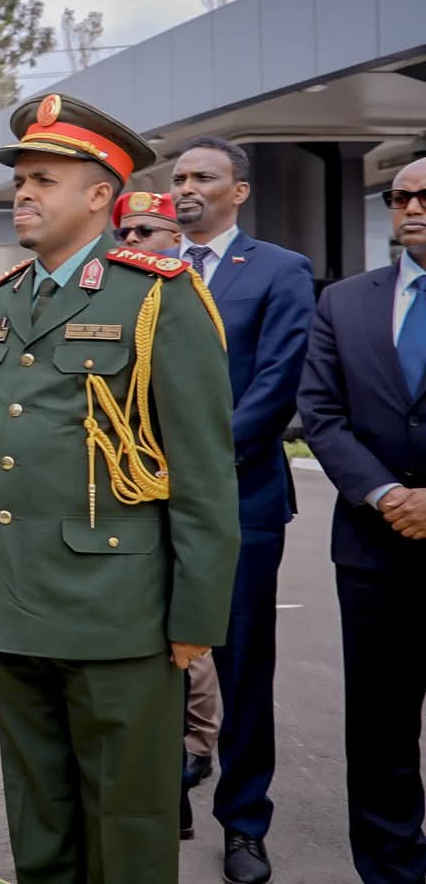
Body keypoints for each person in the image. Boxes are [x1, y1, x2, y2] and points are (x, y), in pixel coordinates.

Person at [0, 93, 239, 883]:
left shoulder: (158, 295)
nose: (24, 193)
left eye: (44, 179)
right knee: (39, 814)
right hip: (16, 607)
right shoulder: (4, 300)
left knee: (127, 824)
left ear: (100, 195)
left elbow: (202, 475)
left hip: (120, 615)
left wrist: (193, 622)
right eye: (21, 178)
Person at [167, 136, 315, 881]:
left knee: (243, 666)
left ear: (239, 192)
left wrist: (197, 468)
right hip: (146, 501)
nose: (187, 186)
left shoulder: (282, 272)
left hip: (241, 498)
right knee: (153, 663)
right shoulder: (149, 270)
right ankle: (168, 794)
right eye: (179, 176)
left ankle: (245, 822)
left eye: (204, 176)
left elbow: (279, 382)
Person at [297, 156, 426, 884]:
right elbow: (320, 412)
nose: (411, 206)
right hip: (375, 549)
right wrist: (387, 496)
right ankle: (391, 870)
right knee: (380, 731)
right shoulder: (344, 302)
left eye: (424, 194)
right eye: (398, 196)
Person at [119, 191, 223, 833]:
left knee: (193, 651)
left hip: (206, 490)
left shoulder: (187, 295)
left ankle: (197, 754)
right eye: (125, 230)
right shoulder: (111, 298)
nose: (135, 239)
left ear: (175, 238)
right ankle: (172, 793)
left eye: (149, 230)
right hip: (131, 507)